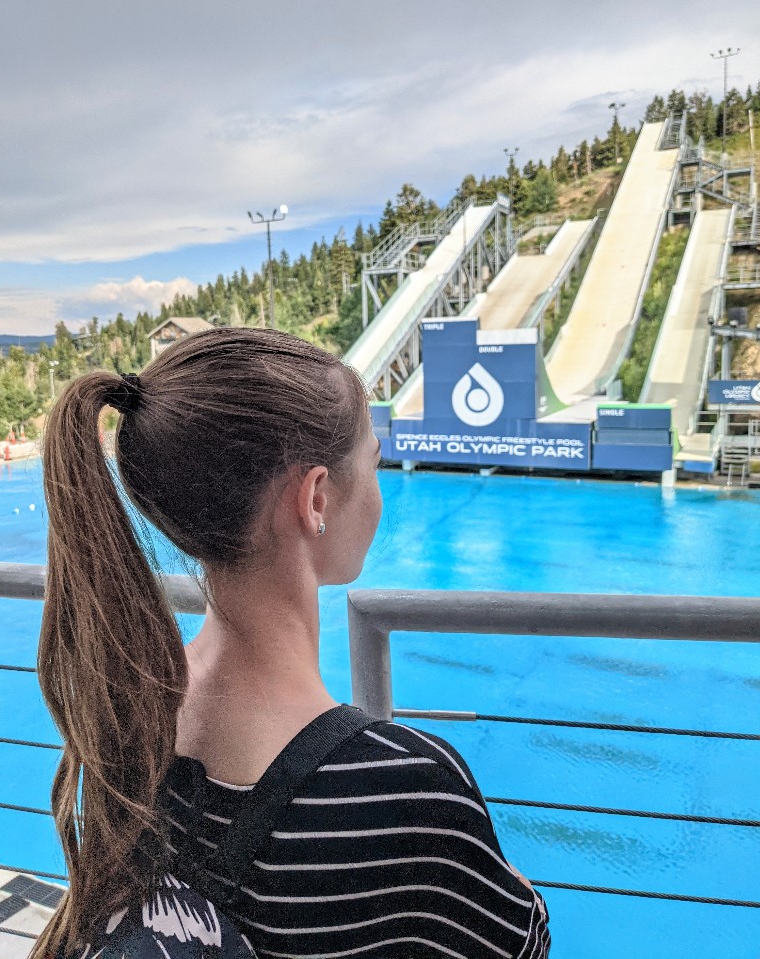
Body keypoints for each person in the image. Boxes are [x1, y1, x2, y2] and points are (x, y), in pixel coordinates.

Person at [33, 327, 550, 959]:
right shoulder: (408, 796)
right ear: (314, 498)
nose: (379, 485)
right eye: (374, 462)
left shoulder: (125, 715)